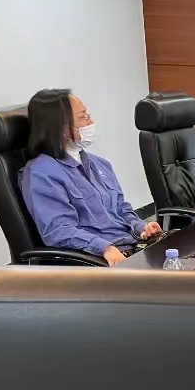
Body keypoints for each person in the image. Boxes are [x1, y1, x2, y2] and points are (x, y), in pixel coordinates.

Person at [20, 89, 160, 267]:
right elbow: (59, 231)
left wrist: (141, 227)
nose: (91, 122)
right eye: (83, 117)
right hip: (97, 259)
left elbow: (120, 207)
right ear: (61, 127)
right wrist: (104, 248)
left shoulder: (99, 164)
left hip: (131, 245)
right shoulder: (41, 174)